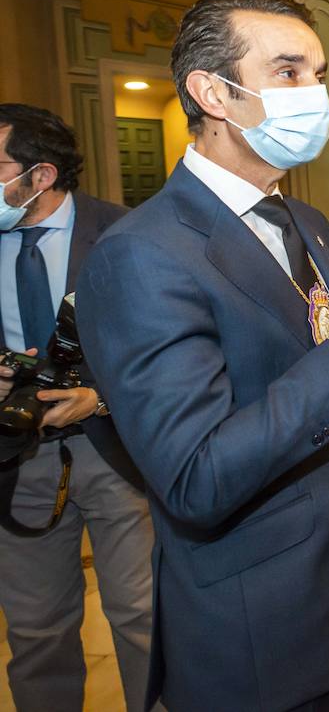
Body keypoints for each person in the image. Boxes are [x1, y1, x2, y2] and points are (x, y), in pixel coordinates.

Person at [75, 0, 329, 711]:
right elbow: (196, 475)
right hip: (263, 627)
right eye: (287, 72)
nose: (313, 94)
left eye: (318, 73)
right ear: (211, 93)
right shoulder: (140, 254)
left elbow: (310, 371)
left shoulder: (308, 222)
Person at [0, 105, 153, 712]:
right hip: (17, 461)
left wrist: (101, 397)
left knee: (143, 618)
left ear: (39, 175)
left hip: (117, 456)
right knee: (36, 631)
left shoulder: (126, 234)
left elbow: (169, 348)